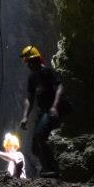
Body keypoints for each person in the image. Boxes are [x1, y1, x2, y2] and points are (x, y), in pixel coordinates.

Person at [19, 45, 65, 177]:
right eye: (27, 62)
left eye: (30, 61)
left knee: (40, 136)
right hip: (42, 112)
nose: (28, 65)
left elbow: (60, 87)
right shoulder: (32, 78)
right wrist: (25, 117)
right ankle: (47, 168)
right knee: (34, 148)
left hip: (51, 111)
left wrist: (55, 106)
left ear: (37, 60)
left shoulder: (48, 72)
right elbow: (29, 98)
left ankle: (53, 170)